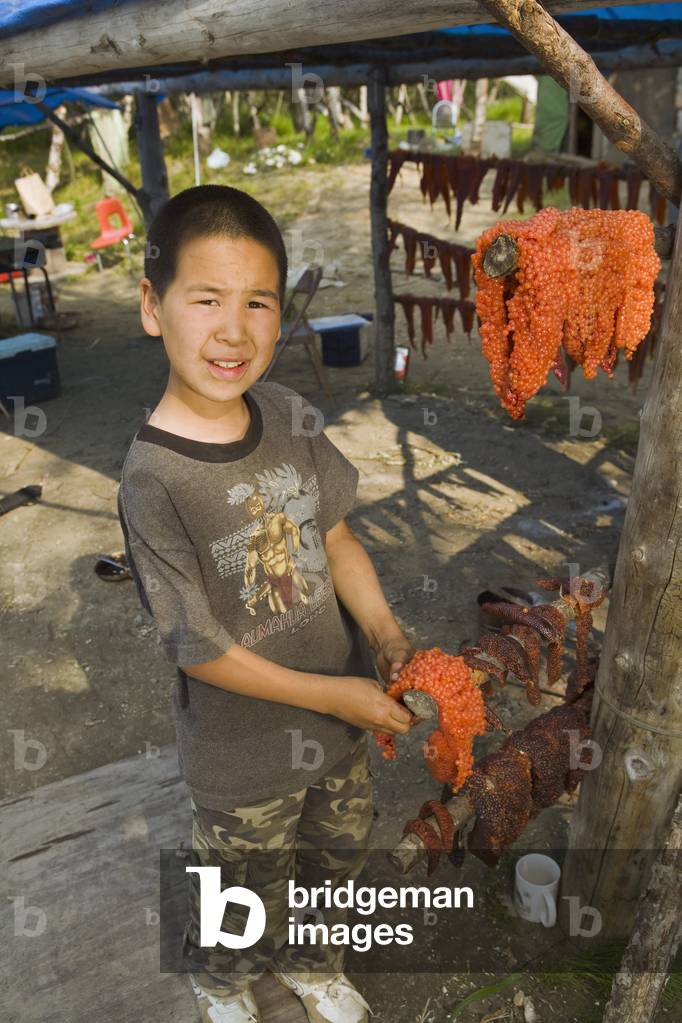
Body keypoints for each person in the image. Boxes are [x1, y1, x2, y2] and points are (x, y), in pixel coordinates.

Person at [117, 185, 419, 1023]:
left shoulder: (288, 412)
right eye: (205, 299)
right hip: (242, 753)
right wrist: (335, 693)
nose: (234, 329)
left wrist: (387, 634)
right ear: (153, 305)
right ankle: (221, 981)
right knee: (240, 888)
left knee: (335, 858)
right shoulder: (154, 479)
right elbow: (199, 646)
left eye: (258, 302)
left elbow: (337, 539)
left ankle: (314, 960)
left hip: (342, 724)